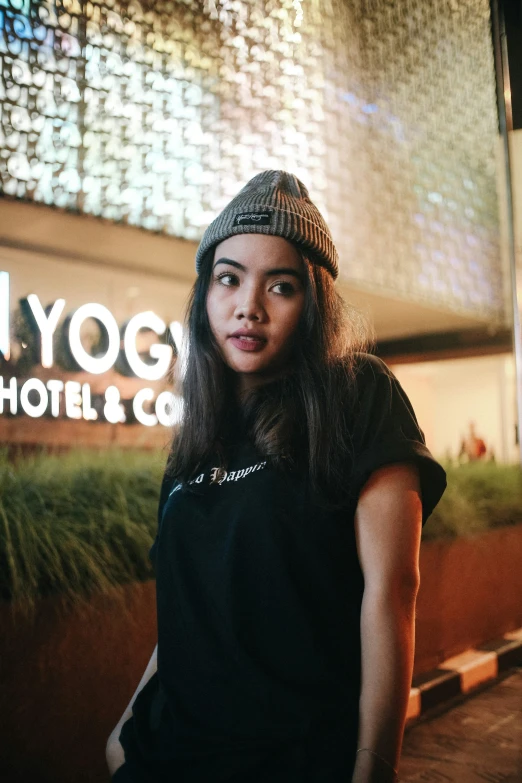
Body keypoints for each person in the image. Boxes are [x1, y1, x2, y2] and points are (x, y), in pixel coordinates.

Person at [106, 171, 447, 783]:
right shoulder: (193, 445)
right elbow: (188, 616)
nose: (248, 307)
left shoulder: (357, 395)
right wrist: (122, 733)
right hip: (162, 759)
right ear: (205, 295)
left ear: (312, 305)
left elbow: (393, 592)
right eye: (228, 278)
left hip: (295, 759)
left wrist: (373, 769)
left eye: (281, 286)